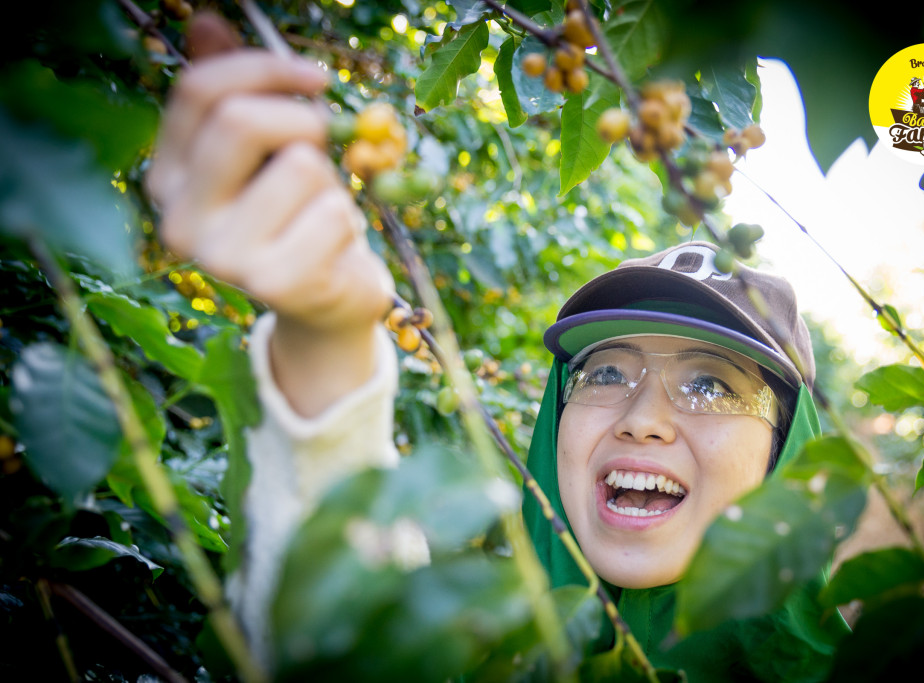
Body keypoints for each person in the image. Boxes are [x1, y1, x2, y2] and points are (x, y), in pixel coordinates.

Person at [147, 46, 846, 681]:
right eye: (605, 372)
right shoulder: (477, 642)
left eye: (709, 384)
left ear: (786, 454)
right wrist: (322, 339)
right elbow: (330, 641)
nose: (642, 420)